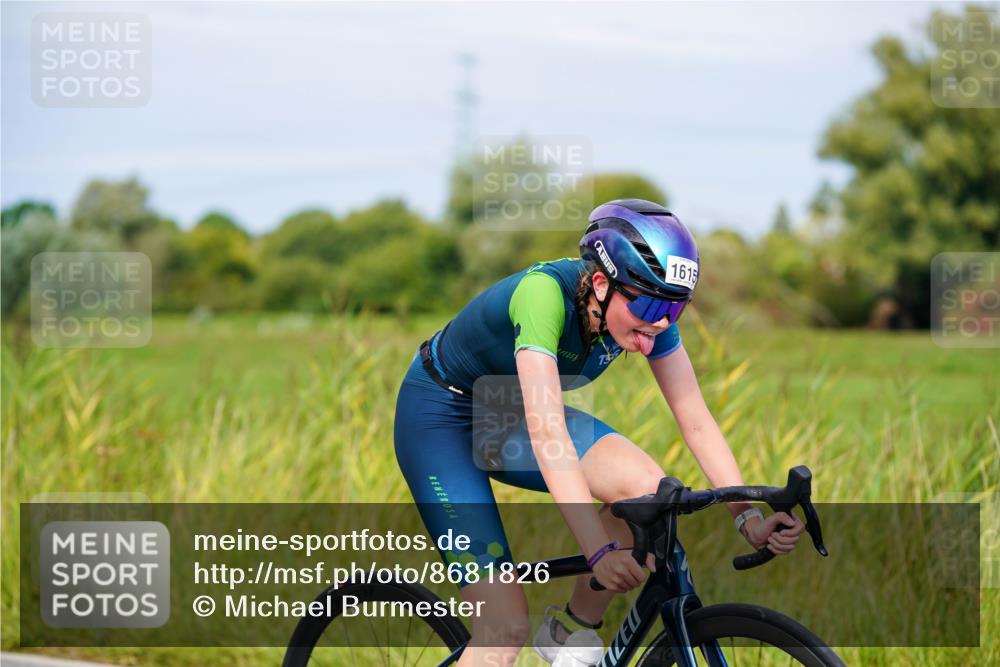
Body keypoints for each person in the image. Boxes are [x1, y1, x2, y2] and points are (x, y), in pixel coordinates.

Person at [394, 198, 804, 666]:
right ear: (603, 284)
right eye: (650, 304)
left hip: (507, 414)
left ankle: (568, 633)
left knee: (649, 495)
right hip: (440, 419)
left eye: (676, 308)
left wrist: (746, 518)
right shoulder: (542, 295)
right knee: (503, 628)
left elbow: (695, 419)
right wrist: (598, 549)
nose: (662, 322)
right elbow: (548, 432)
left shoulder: (650, 317)